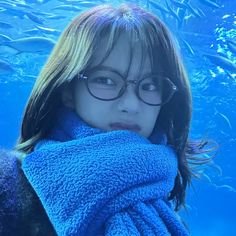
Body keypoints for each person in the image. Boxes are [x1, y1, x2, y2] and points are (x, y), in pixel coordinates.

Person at [0, 3, 218, 236]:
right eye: (105, 80)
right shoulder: (8, 186)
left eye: (150, 84)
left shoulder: (166, 215)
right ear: (67, 89)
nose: (131, 105)